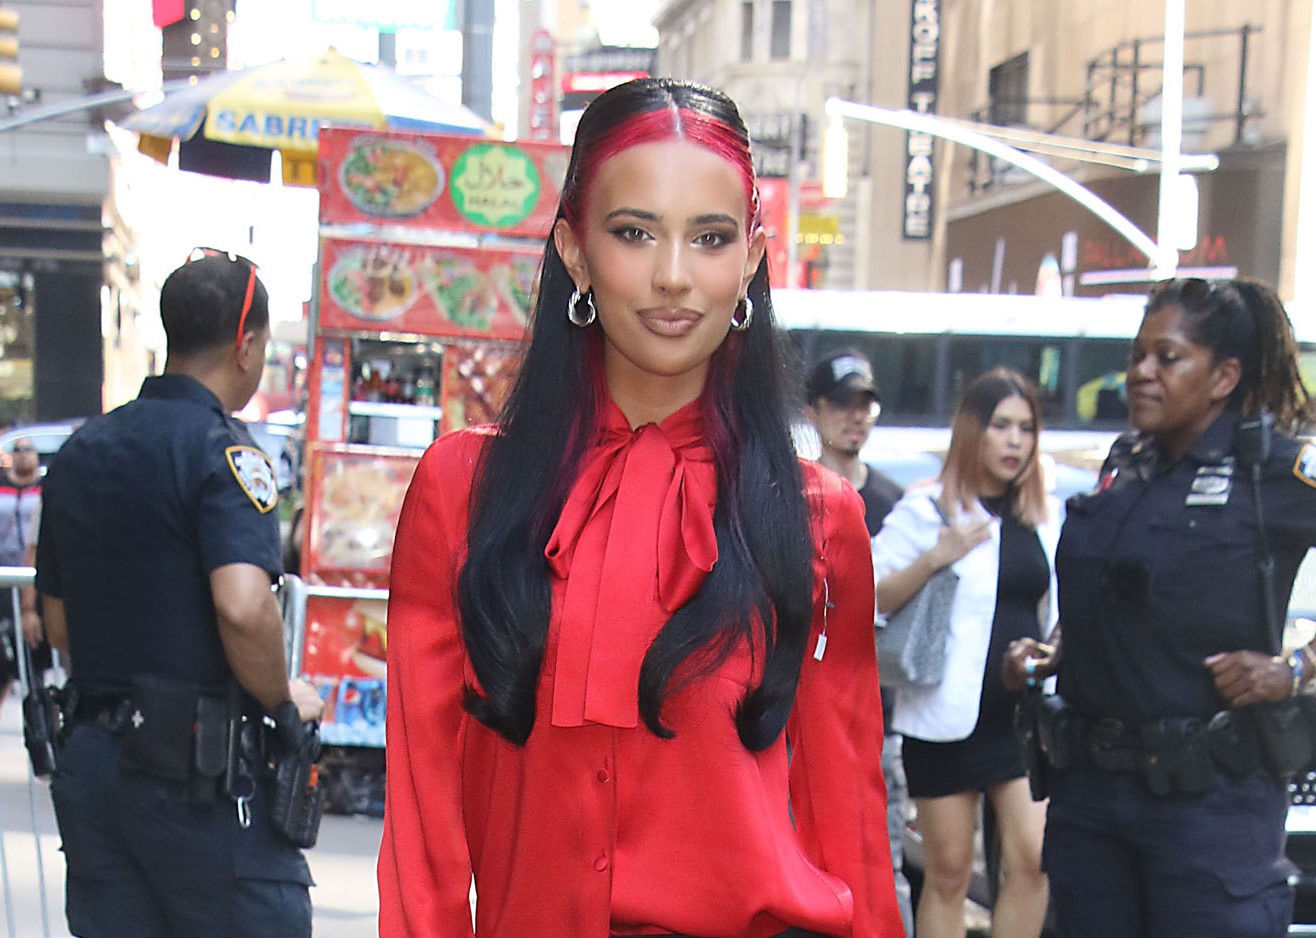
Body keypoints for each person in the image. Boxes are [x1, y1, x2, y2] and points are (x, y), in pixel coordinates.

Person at [378, 77, 902, 938]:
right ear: (575, 250)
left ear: (752, 257)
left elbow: (849, 823)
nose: (673, 277)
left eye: (710, 238)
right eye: (634, 233)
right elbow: (420, 825)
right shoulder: (463, 490)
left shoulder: (819, 517)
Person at [1003, 277, 1316, 938]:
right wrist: (1055, 649)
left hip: (1209, 806)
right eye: (1137, 356)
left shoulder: (1272, 471)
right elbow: (1113, 591)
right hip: (1090, 795)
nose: (1142, 372)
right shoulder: (1125, 464)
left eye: (1168, 358)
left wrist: (1295, 669)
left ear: (1224, 376)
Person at [35, 250, 325, 938]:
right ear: (245, 346)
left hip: (94, 765)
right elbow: (243, 605)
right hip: (194, 776)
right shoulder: (224, 453)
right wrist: (282, 702)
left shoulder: (82, 450)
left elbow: (58, 625)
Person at [873, 367, 1057, 938]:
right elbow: (866, 594)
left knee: (1033, 860)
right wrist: (937, 555)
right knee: (949, 872)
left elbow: (1059, 610)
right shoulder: (927, 510)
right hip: (945, 717)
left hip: (1021, 717)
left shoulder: (1043, 516)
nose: (1014, 441)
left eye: (1025, 428)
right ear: (972, 430)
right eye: (1001, 425)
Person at [804, 347, 913, 937]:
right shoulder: (790, 497)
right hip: (803, 718)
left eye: (865, 404)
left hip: (880, 714)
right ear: (813, 410)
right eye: (842, 404)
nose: (856, 416)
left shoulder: (897, 503)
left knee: (882, 867)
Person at [0, 436, 45, 711]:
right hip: (4, 575)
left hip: (34, 574)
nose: (23, 455)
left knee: (33, 643)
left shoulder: (45, 488)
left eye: (28, 450)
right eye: (17, 450)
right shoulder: (2, 486)